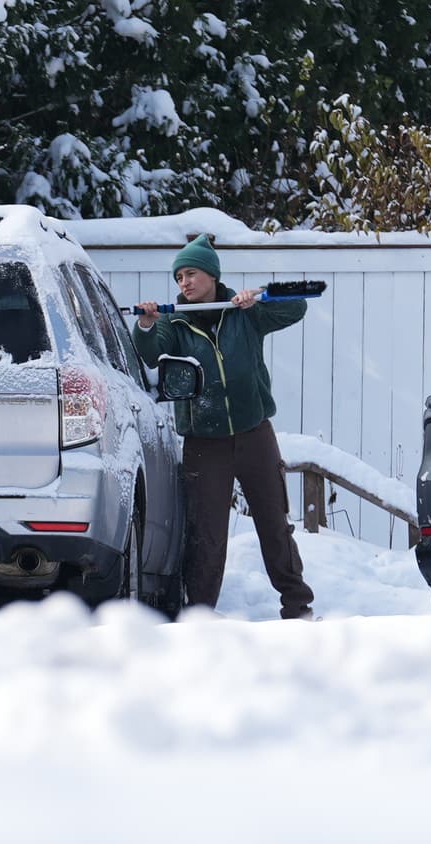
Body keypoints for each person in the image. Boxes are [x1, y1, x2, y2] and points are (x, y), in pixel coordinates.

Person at [132, 234, 315, 620]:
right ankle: (198, 614)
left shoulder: (243, 314)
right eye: (179, 276)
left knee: (274, 523)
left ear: (212, 276)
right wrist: (146, 325)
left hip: (254, 434)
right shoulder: (174, 322)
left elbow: (297, 306)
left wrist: (263, 295)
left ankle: (297, 606)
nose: (184, 282)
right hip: (204, 442)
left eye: (192, 273)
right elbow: (150, 352)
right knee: (207, 534)